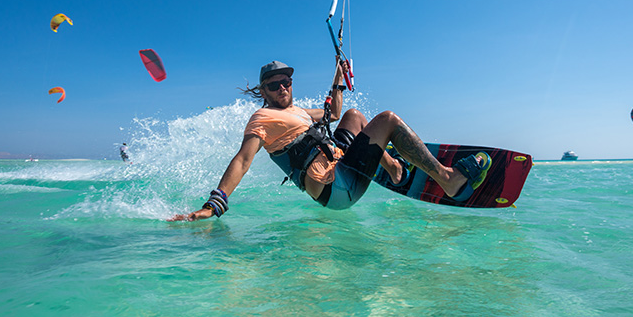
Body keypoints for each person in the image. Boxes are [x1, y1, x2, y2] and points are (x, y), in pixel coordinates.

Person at [169, 60, 490, 221]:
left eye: (287, 82)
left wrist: (338, 78)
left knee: (352, 114)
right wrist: (215, 204)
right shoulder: (261, 120)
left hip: (338, 166)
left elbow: (332, 114)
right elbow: (242, 160)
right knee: (388, 119)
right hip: (334, 189)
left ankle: (392, 168)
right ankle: (448, 179)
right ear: (263, 91)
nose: (283, 88)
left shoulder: (297, 111)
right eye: (275, 85)